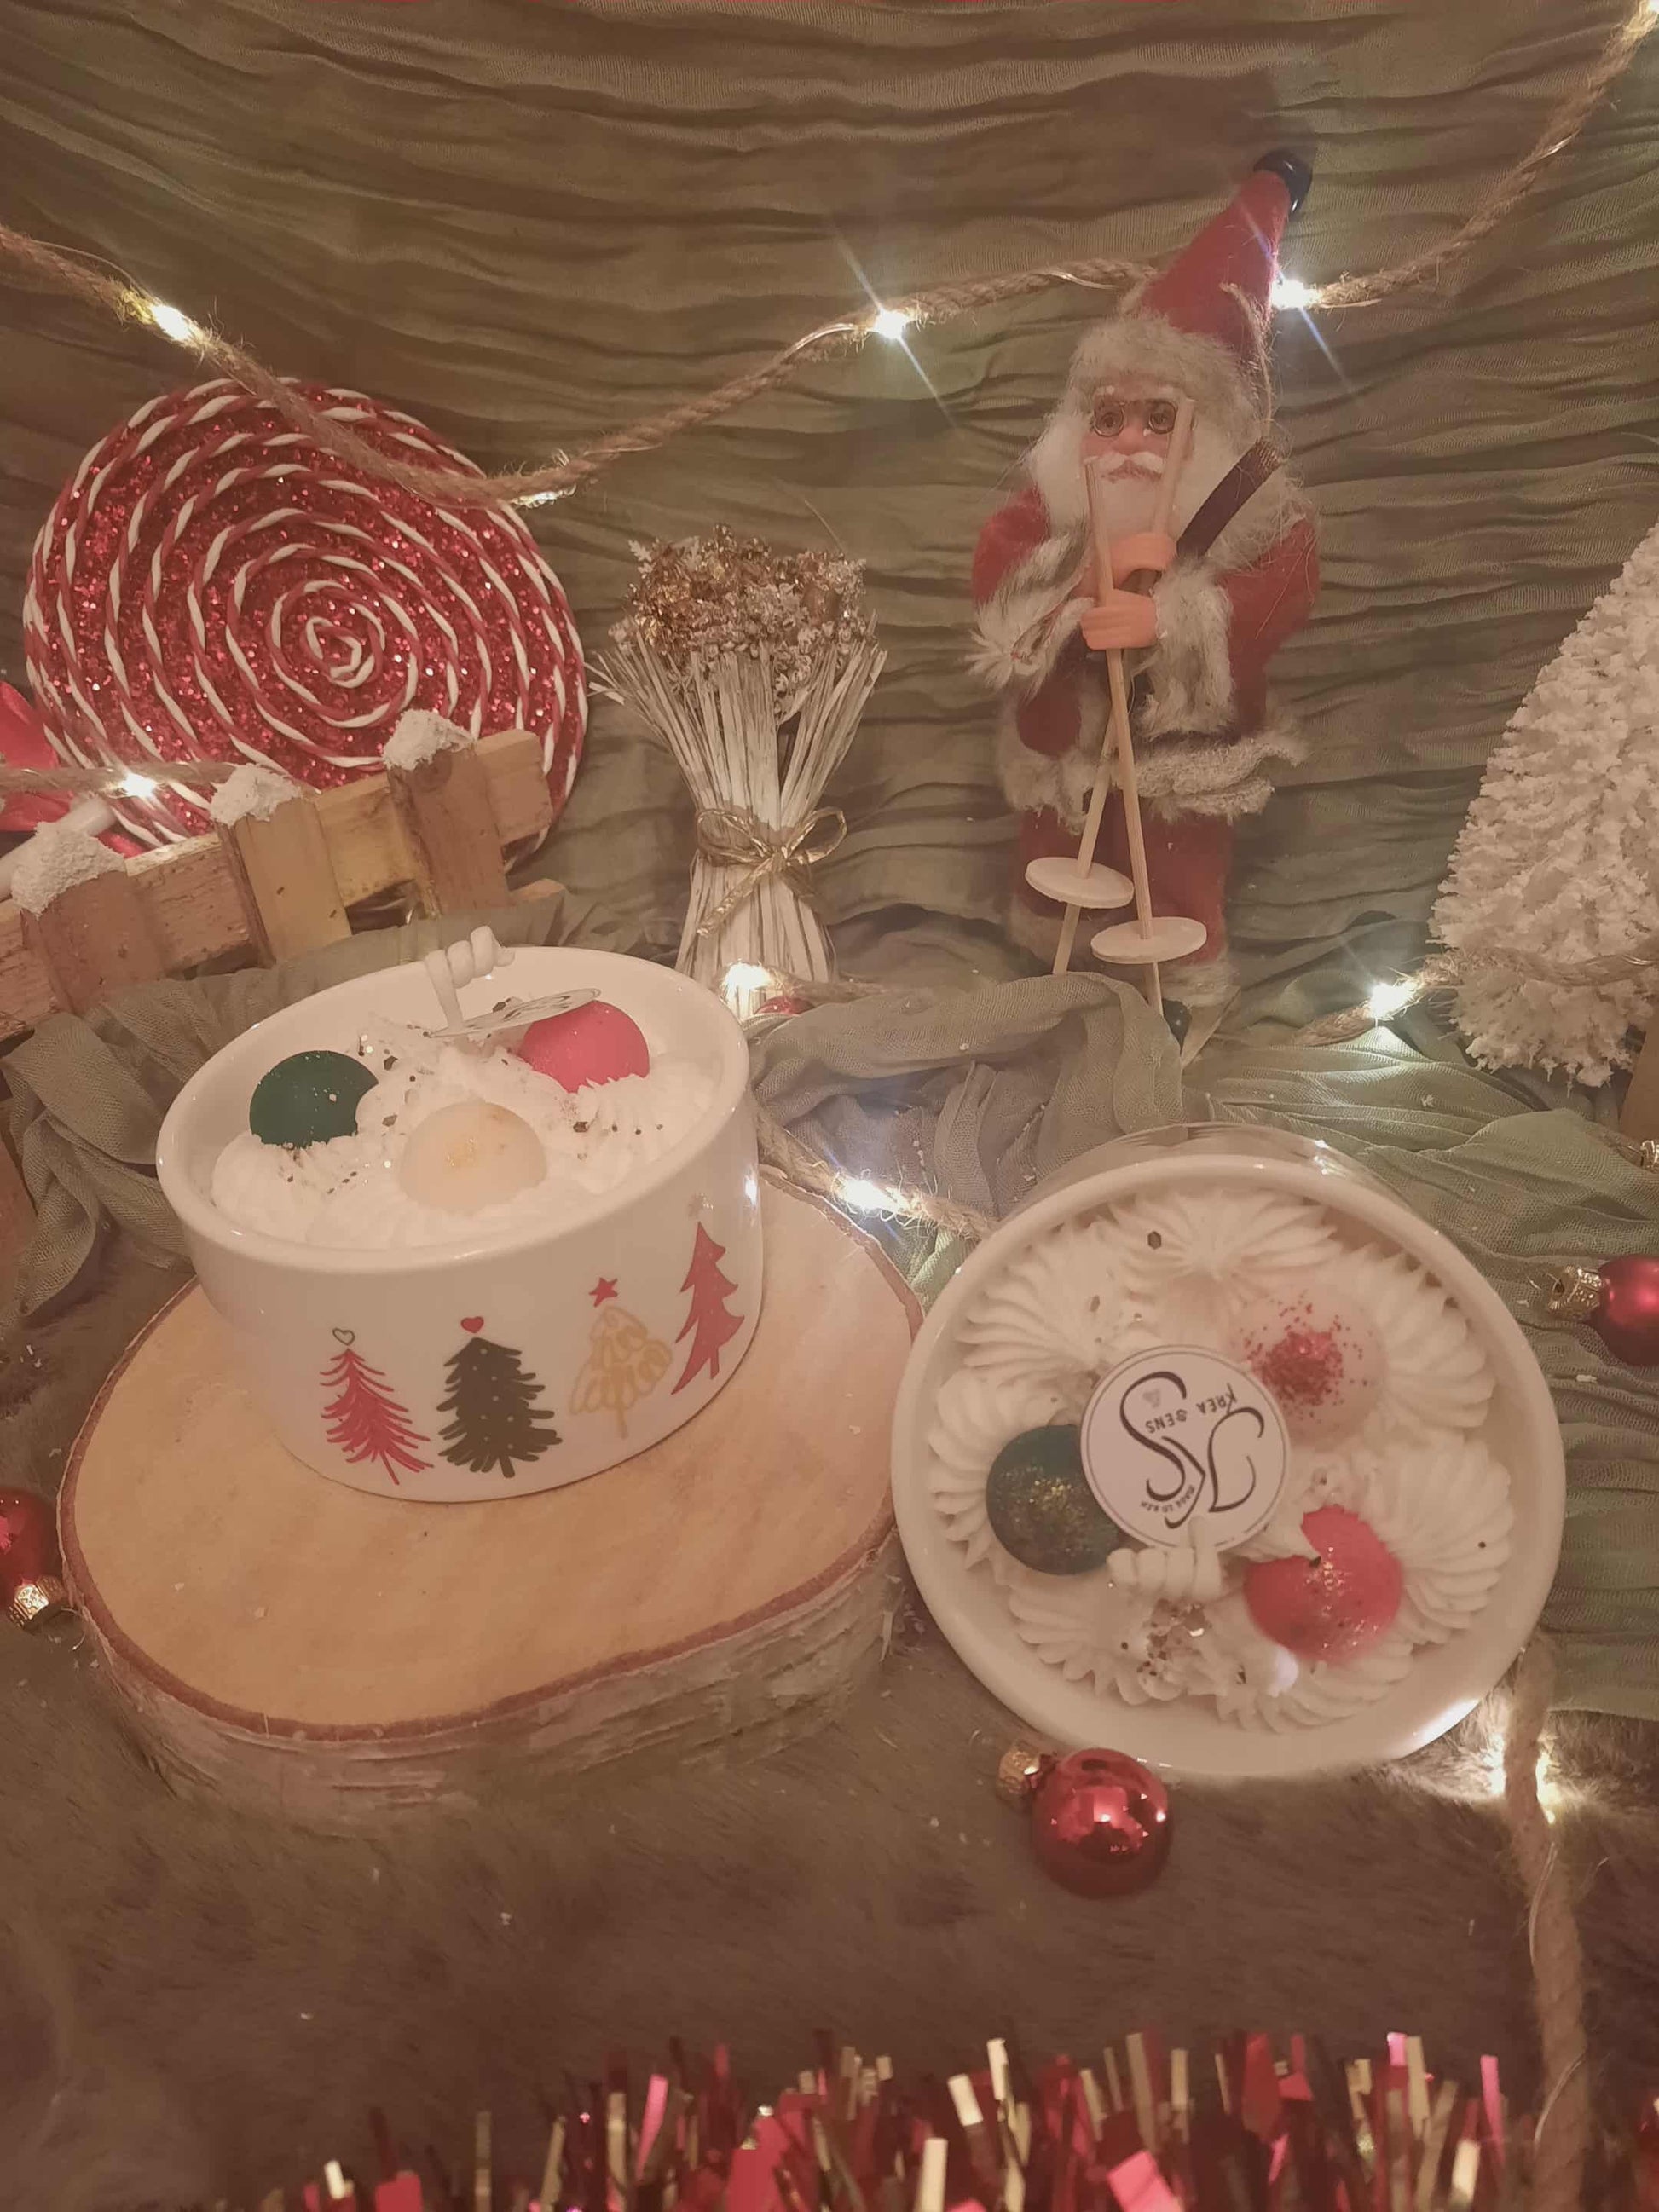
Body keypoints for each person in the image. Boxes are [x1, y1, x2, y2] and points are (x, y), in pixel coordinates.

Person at [969, 154, 1321, 1002]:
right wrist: (1087, 585)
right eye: (1109, 416)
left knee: (1175, 867)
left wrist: (1169, 621)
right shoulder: (1053, 499)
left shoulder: (1257, 517)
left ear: (1209, 430)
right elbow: (999, 573)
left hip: (1179, 756)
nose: (1129, 441)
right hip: (1066, 743)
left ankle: (1173, 995)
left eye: (1158, 417)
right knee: (1055, 854)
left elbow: (1283, 589)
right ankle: (1051, 977)